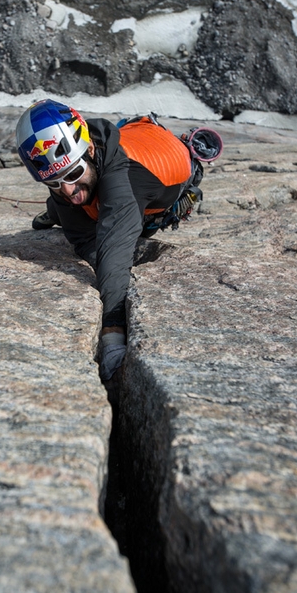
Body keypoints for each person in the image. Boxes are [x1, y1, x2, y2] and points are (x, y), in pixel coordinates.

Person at [16, 99, 222, 382]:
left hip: (160, 166)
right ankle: (56, 210)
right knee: (72, 204)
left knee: (99, 216)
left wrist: (113, 338)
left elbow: (114, 255)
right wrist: (65, 204)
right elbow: (82, 234)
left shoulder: (123, 181)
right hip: (132, 133)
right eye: (53, 182)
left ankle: (190, 149)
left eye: (73, 174)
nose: (67, 189)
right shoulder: (73, 164)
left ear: (89, 149)